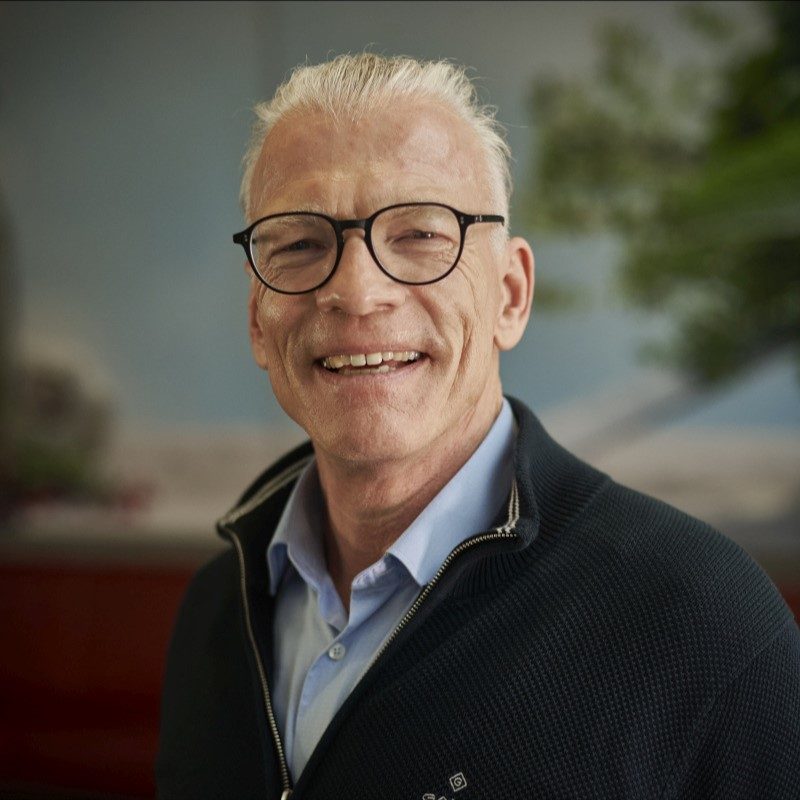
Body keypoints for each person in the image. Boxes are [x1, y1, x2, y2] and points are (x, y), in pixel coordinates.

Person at [157, 54, 800, 799]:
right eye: (300, 244)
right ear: (257, 321)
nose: (358, 292)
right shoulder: (217, 611)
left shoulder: (704, 625)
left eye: (420, 235)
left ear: (511, 295)